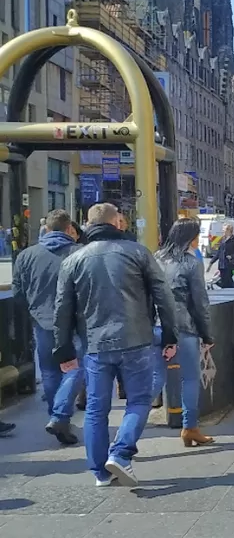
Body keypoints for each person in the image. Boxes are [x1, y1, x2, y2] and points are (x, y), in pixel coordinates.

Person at [53, 202, 178, 488]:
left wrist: (63, 349)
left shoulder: (73, 260)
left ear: (87, 224)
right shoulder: (137, 253)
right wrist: (170, 335)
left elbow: (62, 308)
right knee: (139, 400)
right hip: (136, 340)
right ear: (117, 223)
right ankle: (121, 452)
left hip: (96, 344)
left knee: (97, 409)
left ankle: (100, 472)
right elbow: (164, 296)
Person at [11, 209, 84, 445]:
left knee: (51, 371)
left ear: (46, 229)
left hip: (42, 322)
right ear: (68, 229)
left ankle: (56, 416)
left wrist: (33, 312)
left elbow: (18, 291)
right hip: (74, 323)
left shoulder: (26, 255)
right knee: (76, 368)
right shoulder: (79, 253)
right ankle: (60, 416)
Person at [154, 218, 216, 449]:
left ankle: (128, 433)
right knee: (189, 378)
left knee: (154, 378)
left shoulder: (155, 258)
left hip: (157, 326)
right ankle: (190, 428)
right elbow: (200, 303)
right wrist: (207, 335)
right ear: (191, 238)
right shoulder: (191, 263)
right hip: (184, 328)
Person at [217, 221, 234, 289]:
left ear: (229, 231)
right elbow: (219, 252)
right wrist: (211, 262)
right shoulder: (222, 239)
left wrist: (232, 256)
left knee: (228, 282)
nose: (222, 232)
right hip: (222, 265)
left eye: (224, 230)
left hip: (229, 265)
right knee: (223, 283)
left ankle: (231, 296)